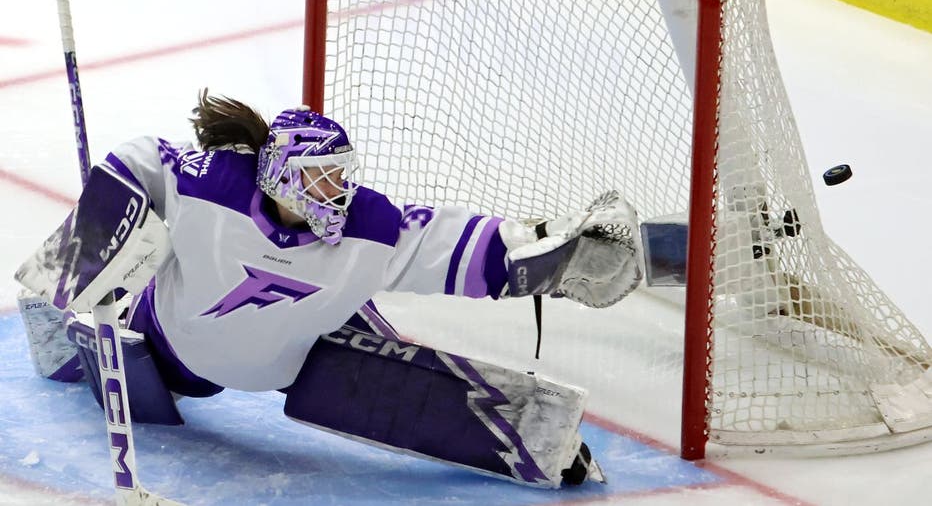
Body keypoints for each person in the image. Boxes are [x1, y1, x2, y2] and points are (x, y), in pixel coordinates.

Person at [15, 90, 643, 489]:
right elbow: (141, 159)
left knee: (385, 382)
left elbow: (447, 242)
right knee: (94, 353)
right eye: (320, 178)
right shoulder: (212, 187)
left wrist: (539, 252)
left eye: (341, 176)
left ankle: (541, 443)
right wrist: (83, 249)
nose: (336, 191)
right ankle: (57, 323)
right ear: (281, 177)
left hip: (304, 351)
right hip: (171, 344)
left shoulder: (368, 228)